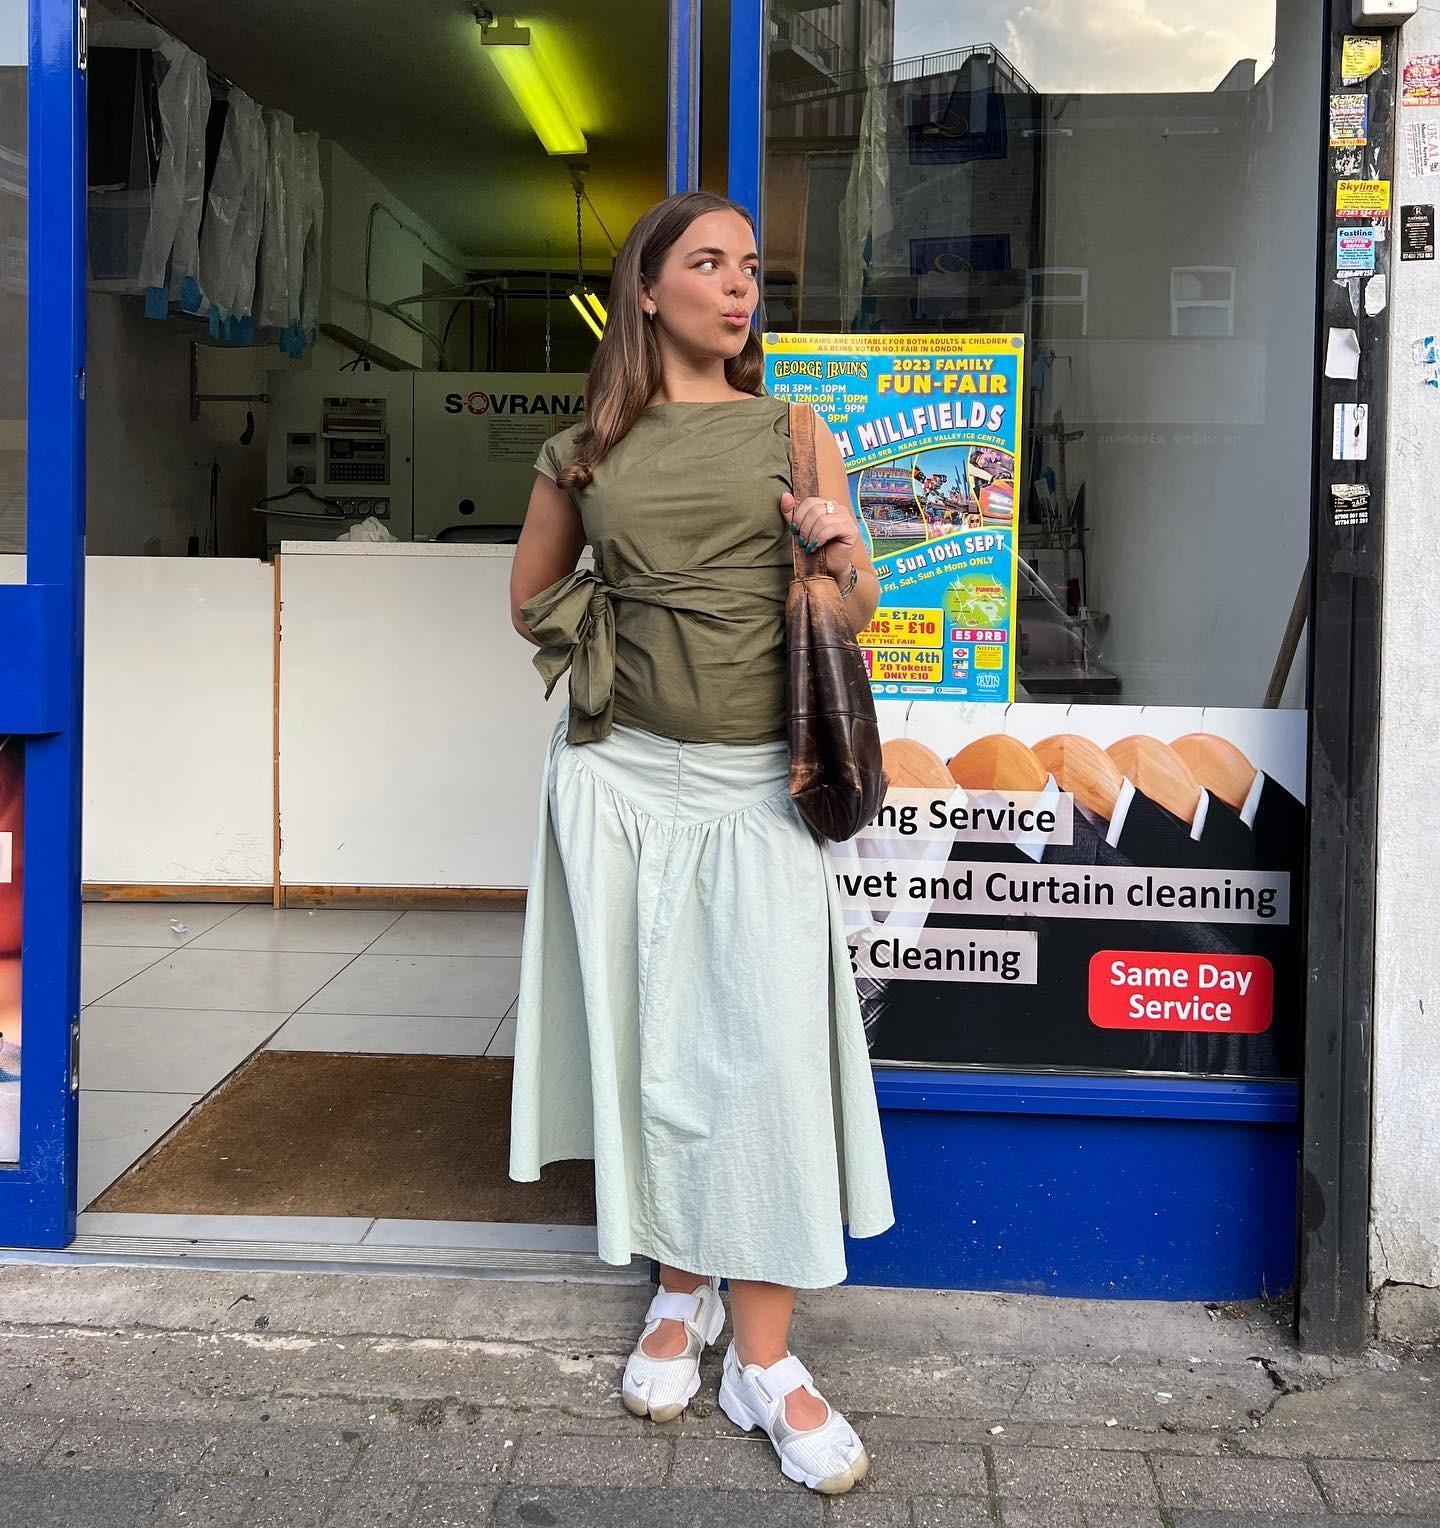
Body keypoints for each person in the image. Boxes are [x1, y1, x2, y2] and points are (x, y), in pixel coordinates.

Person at [506, 190, 895, 1495]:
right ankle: (681, 1292)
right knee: (654, 1044)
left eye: (750, 269)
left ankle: (767, 1359)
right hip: (616, 779)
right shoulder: (583, 449)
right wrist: (610, 628)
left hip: (753, 786)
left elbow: (856, 606)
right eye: (709, 264)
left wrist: (841, 552)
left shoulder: (793, 430)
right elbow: (529, 602)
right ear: (648, 290)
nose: (740, 287)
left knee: (767, 1057)